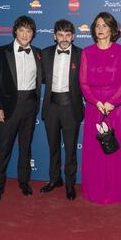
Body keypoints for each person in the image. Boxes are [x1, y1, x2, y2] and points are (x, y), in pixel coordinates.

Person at [79, 12, 121, 204]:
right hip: (94, 106)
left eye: (105, 26)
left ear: (112, 29)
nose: (100, 29)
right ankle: (97, 189)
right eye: (97, 25)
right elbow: (83, 82)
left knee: (116, 148)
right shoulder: (87, 52)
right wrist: (97, 103)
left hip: (116, 107)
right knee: (96, 149)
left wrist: (111, 103)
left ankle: (118, 190)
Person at [0, 15, 42, 202]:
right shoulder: (1, 52)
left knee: (26, 147)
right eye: (22, 30)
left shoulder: (38, 53)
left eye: (29, 31)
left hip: (30, 105)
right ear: (15, 31)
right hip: (8, 107)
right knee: (4, 148)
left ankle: (24, 182)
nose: (25, 34)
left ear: (33, 34)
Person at [39, 19, 84, 200]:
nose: (64, 38)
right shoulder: (45, 53)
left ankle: (70, 184)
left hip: (71, 107)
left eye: (67, 35)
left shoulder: (82, 55)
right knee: (53, 146)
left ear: (73, 36)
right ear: (54, 36)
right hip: (51, 106)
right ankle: (54, 179)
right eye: (60, 35)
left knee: (71, 149)